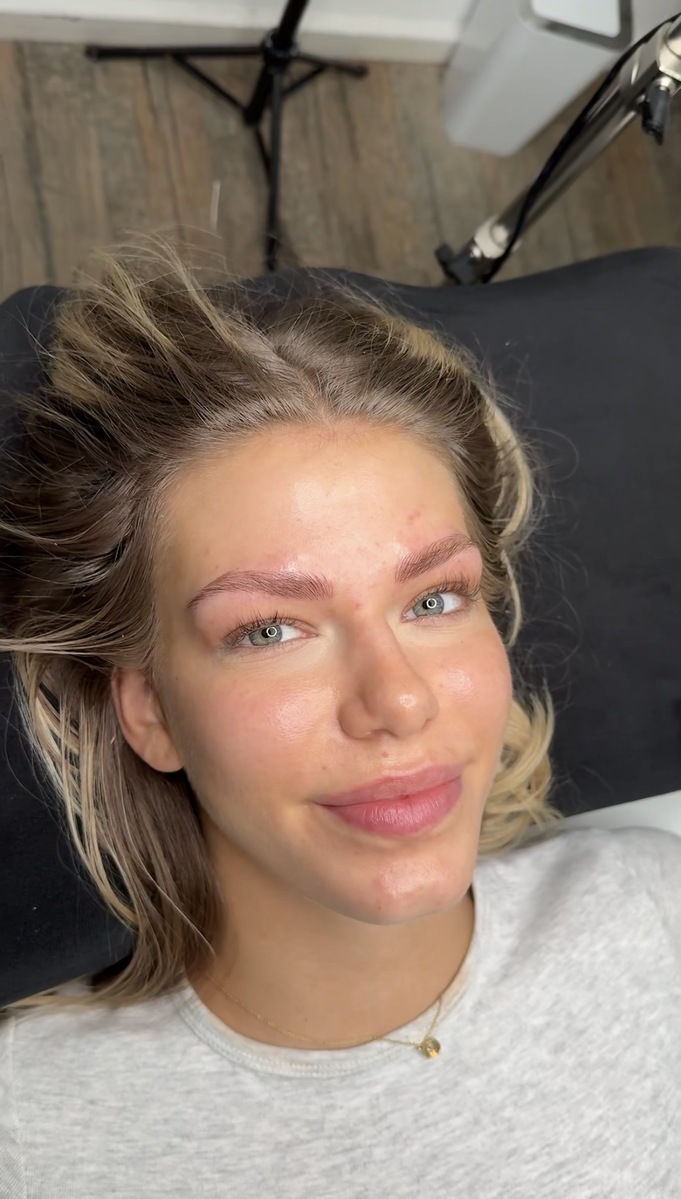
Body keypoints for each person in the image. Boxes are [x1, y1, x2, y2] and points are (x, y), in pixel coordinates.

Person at [0, 233, 679, 1198]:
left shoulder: (656, 912)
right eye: (270, 629)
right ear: (147, 709)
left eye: (433, 600)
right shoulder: (32, 1131)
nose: (397, 699)